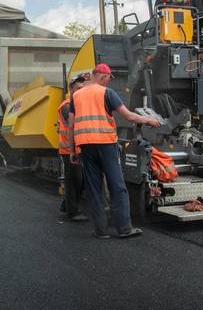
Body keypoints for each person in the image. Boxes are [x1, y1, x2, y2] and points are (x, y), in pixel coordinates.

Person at [68, 63, 161, 239]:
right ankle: (124, 228)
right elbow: (128, 116)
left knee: (94, 188)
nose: (108, 83)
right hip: (105, 144)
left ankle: (100, 230)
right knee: (117, 185)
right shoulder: (107, 93)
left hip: (85, 147)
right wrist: (148, 120)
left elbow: (71, 126)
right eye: (108, 79)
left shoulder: (76, 96)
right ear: (103, 76)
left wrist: (72, 149)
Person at [57, 73, 90, 222]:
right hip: (69, 149)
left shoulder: (78, 105)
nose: (80, 91)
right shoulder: (67, 106)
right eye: (77, 88)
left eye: (83, 88)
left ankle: (67, 204)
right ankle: (73, 211)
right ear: (71, 89)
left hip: (79, 148)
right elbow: (75, 125)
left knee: (81, 180)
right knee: (74, 180)